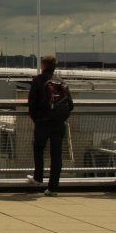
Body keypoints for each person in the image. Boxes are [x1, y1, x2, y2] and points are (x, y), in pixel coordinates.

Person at [27, 55, 71, 196]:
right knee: (56, 154)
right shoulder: (61, 82)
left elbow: (32, 103)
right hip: (59, 123)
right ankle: (53, 188)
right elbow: (70, 105)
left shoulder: (38, 80)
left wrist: (37, 119)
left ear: (43, 65)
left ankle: (38, 178)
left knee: (39, 148)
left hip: (43, 122)